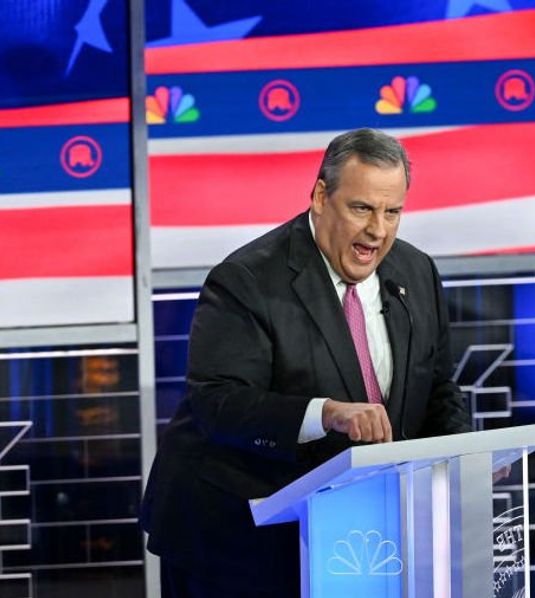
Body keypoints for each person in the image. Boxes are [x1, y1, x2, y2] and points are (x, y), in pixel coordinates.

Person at [140, 128, 472, 597]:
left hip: (359, 536)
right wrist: (326, 413)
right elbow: (219, 402)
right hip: (235, 538)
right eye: (362, 208)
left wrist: (464, 454)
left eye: (392, 212)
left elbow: (436, 384)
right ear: (320, 196)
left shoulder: (416, 273)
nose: (378, 231)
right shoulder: (246, 279)